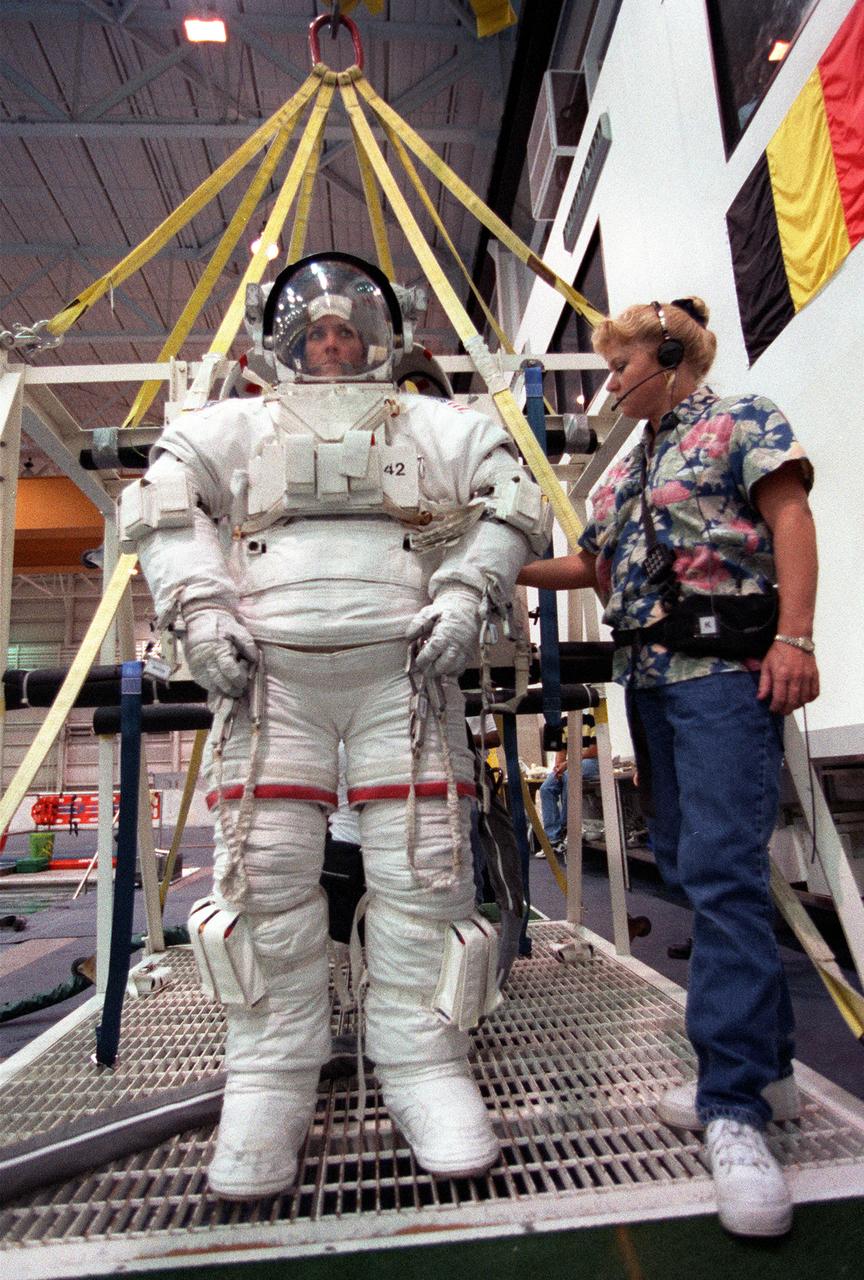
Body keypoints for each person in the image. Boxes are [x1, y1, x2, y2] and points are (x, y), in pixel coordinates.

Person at [120, 251, 550, 1199]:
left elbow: (515, 500)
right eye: (315, 330)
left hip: (405, 673)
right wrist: (201, 610)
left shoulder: (436, 423)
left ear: (377, 340)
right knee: (263, 878)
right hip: (272, 682)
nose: (331, 340)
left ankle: (424, 1065)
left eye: (347, 329)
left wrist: (471, 588)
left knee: (427, 877)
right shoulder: (228, 425)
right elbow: (161, 504)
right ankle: (270, 1075)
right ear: (286, 342)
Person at [518, 296, 818, 1239]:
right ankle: (764, 1069)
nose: (610, 385)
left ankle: (732, 1110)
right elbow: (596, 568)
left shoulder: (741, 421)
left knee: (725, 871)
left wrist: (796, 638)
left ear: (669, 356)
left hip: (726, 674)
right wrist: (497, 566)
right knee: (695, 866)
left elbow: (791, 517)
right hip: (651, 680)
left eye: (619, 368)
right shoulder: (628, 469)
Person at [538, 712, 600, 852]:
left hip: (591, 762)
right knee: (546, 788)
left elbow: (594, 750)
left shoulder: (590, 720)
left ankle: (566, 826)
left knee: (569, 775)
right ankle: (553, 838)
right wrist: (558, 768)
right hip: (570, 764)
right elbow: (561, 751)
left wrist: (567, 763)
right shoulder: (563, 723)